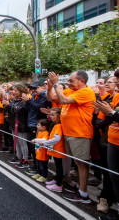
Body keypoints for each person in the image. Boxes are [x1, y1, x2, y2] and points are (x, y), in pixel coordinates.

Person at [47, 71, 95, 203]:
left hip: (80, 133)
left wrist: (57, 84)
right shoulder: (72, 91)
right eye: (68, 80)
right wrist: (50, 87)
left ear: (82, 81)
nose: (68, 83)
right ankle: (80, 187)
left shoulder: (86, 92)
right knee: (77, 162)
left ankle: (83, 194)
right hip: (70, 133)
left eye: (71, 81)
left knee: (81, 163)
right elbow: (52, 98)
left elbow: (63, 100)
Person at [94, 69, 119, 218]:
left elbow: (111, 115)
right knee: (112, 176)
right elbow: (100, 121)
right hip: (111, 141)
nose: (116, 82)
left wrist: (112, 114)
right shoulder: (114, 98)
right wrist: (108, 114)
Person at [36, 107, 66, 193]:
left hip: (58, 149)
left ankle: (58, 184)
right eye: (50, 115)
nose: (51, 117)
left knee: (59, 167)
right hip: (55, 149)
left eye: (53, 115)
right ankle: (56, 180)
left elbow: (56, 139)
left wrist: (46, 143)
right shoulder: (55, 125)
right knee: (58, 166)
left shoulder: (58, 126)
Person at [23, 81, 49, 176]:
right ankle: (35, 167)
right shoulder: (33, 97)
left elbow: (39, 108)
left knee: (37, 148)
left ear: (42, 87)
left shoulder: (44, 97)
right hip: (30, 123)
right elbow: (28, 109)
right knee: (31, 146)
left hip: (37, 125)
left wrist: (28, 101)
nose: (33, 90)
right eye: (32, 89)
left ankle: (40, 170)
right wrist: (25, 102)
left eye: (35, 88)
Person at [6, 83, 30, 168]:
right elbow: (10, 109)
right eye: (14, 90)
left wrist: (10, 107)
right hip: (14, 123)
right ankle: (18, 157)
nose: (14, 92)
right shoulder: (16, 99)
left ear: (21, 91)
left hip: (21, 124)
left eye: (16, 90)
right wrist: (10, 107)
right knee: (16, 142)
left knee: (22, 142)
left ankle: (25, 159)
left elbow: (18, 110)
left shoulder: (24, 99)